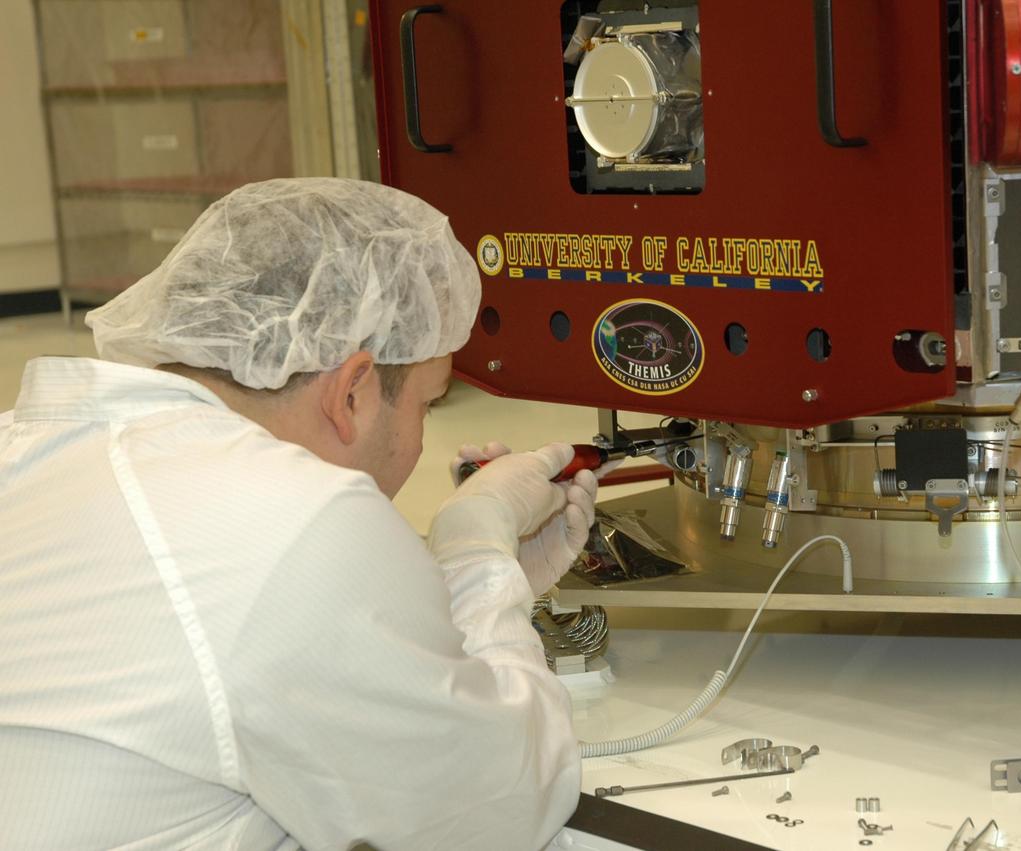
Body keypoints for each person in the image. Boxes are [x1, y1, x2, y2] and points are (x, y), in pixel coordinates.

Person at [0, 178, 599, 850]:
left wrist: (461, 593)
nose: (423, 437)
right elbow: (505, 805)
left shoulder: (34, 444)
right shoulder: (293, 523)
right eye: (427, 404)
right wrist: (474, 558)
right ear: (351, 393)